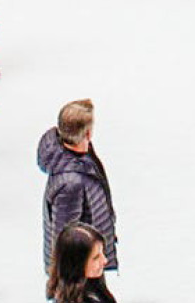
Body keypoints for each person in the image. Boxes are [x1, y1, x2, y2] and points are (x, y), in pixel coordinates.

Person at [38, 99, 119, 273]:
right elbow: (64, 239)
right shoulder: (71, 184)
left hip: (90, 258)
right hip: (80, 270)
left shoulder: (80, 157)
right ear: (88, 134)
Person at [46, 223, 119, 303]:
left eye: (103, 253)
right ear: (77, 264)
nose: (105, 260)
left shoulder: (92, 286)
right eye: (96, 258)